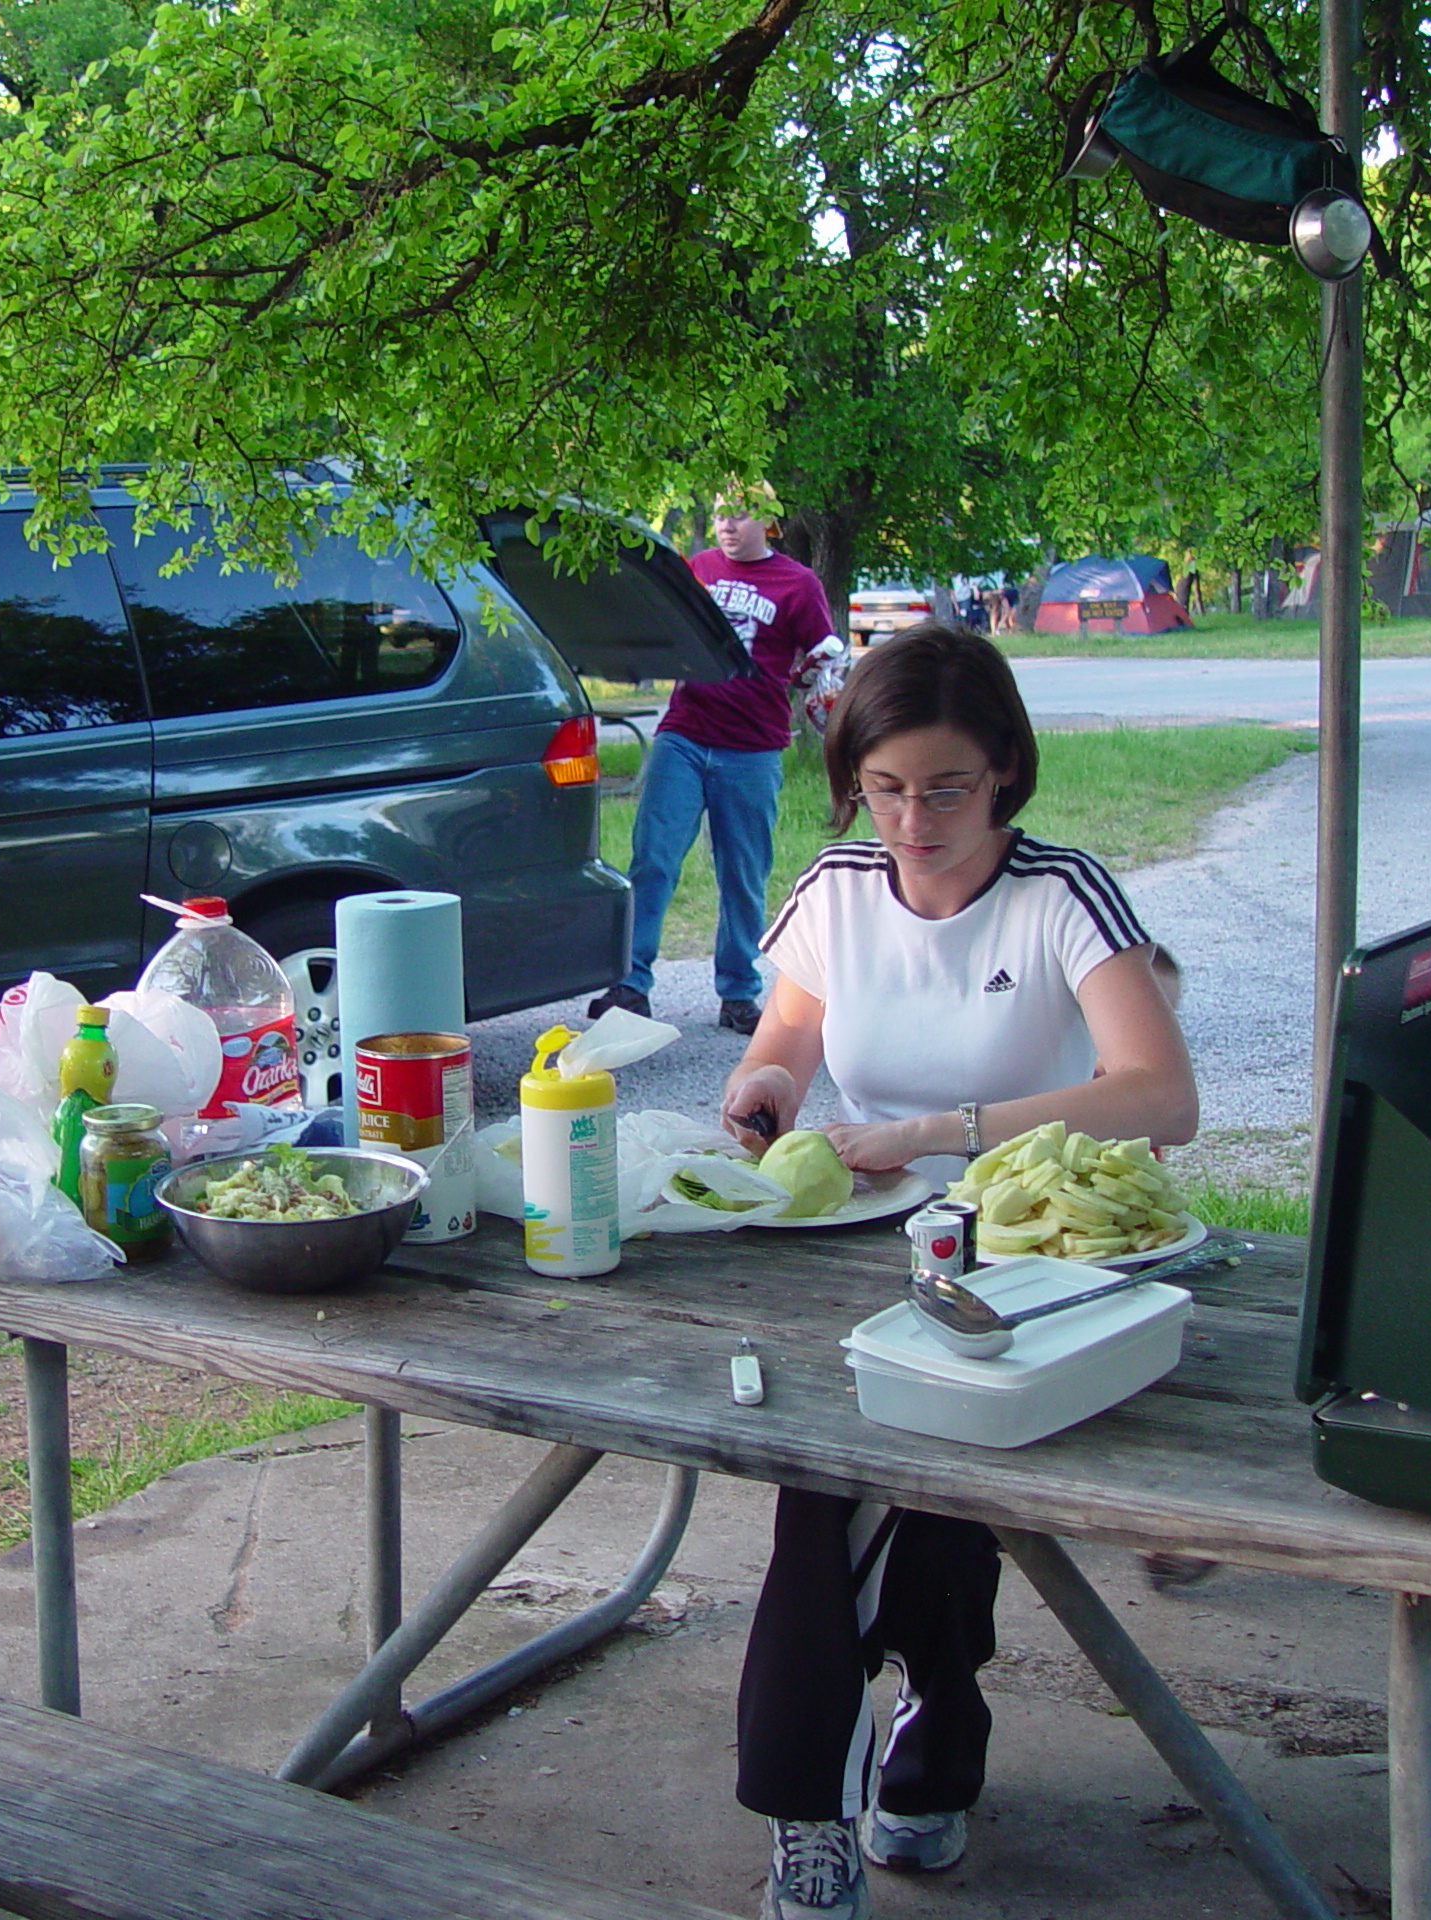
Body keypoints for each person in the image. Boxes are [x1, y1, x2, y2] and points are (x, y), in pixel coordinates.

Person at [716, 623, 1198, 1920]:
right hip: (858, 1252)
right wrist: (766, 1083)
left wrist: (940, 1133)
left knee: (873, 1481)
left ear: (1005, 775)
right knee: (841, 1474)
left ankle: (818, 1791)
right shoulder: (836, 891)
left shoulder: (1061, 895)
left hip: (1038, 1268)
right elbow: (794, 1028)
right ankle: (922, 1740)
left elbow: (1162, 1096)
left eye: (945, 788)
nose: (913, 821)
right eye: (884, 789)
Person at [589, 488, 837, 1037]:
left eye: (740, 514)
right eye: (721, 513)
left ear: (768, 520)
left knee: (742, 873)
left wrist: (815, 683)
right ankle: (631, 983)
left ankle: (739, 992)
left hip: (752, 748)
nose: (727, 524)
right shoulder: (697, 568)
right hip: (684, 734)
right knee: (652, 858)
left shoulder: (798, 583)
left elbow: (825, 657)